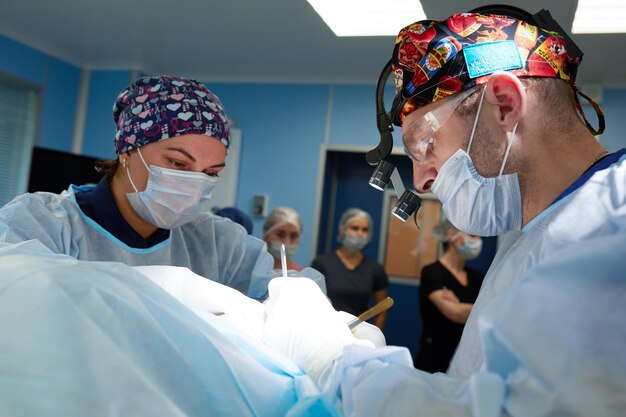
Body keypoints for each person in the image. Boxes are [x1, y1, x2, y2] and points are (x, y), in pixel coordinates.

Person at [258, 6, 626, 416]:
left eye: (424, 147)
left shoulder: (614, 225)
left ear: (504, 105)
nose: (420, 183)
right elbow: (476, 393)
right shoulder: (530, 235)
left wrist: (330, 359)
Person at [0, 75, 324, 299]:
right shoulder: (40, 226)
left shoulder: (217, 244)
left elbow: (290, 293)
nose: (194, 183)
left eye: (210, 173)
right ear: (127, 151)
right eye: (179, 164)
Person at [414, 219, 485, 373]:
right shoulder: (432, 272)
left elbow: (465, 312)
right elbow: (456, 314)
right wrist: (483, 307)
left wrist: (462, 306)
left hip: (467, 358)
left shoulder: (477, 278)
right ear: (452, 235)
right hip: (434, 358)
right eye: (472, 235)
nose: (478, 240)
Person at [311, 208, 389, 330]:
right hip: (326, 331)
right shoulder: (322, 263)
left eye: (365, 230)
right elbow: (311, 304)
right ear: (342, 230)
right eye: (355, 228)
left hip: (359, 333)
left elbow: (382, 310)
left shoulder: (375, 269)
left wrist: (375, 341)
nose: (359, 233)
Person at [262, 206, 303, 271]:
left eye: (293, 236)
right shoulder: (250, 269)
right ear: (266, 234)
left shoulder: (300, 276)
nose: (287, 242)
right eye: (280, 235)